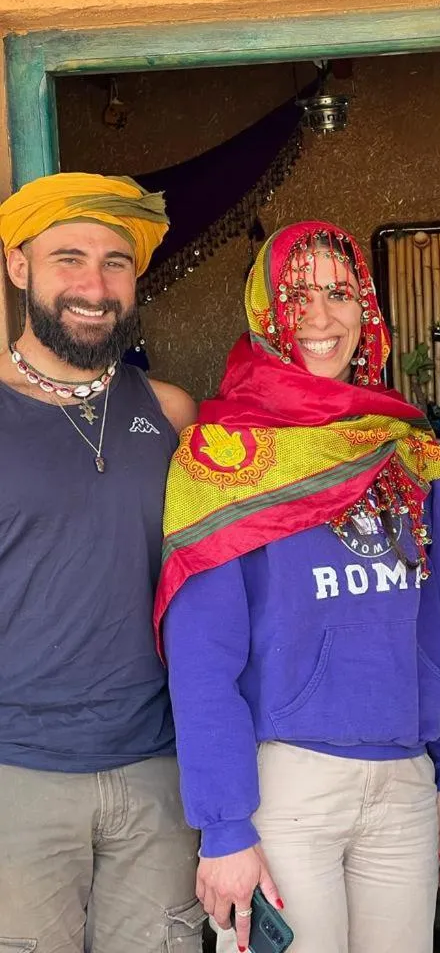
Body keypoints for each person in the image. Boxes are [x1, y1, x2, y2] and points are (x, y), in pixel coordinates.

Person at [155, 221, 440, 953]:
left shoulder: (402, 446)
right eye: (296, 296)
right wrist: (224, 826)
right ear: (266, 312)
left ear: (366, 309)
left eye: (340, 294)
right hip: (286, 786)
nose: (320, 317)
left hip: (406, 780)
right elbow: (203, 660)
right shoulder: (222, 456)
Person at [0, 172, 202, 953]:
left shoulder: (171, 414)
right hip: (17, 771)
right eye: (69, 259)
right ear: (19, 266)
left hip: (158, 769)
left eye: (116, 262)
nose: (94, 285)